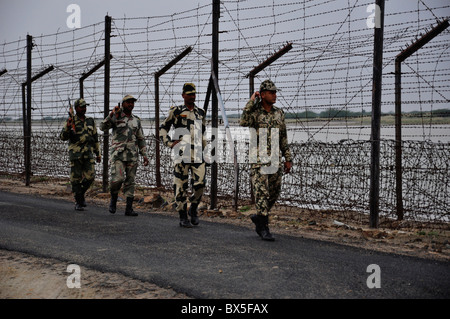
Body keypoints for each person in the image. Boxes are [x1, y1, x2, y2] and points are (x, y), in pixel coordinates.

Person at [240, 80, 293, 241]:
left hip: (275, 159)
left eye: (275, 92)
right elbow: (243, 122)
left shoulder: (279, 113)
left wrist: (288, 158)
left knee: (275, 192)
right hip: (259, 160)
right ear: (262, 95)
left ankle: (259, 217)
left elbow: (283, 136)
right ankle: (264, 227)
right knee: (262, 193)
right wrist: (251, 101)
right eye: (271, 92)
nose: (275, 95)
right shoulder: (255, 112)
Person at [159, 83, 207, 227]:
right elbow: (163, 128)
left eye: (194, 94)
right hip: (181, 154)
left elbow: (202, 133)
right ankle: (182, 215)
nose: (192, 96)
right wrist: (168, 143)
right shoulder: (177, 111)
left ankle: (193, 208)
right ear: (183, 95)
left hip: (198, 154)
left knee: (200, 184)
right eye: (189, 94)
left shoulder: (200, 112)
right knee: (181, 186)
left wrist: (206, 150)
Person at [100, 95, 149, 216]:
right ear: (123, 104)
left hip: (132, 155)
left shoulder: (136, 120)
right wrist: (111, 114)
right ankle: (113, 198)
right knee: (118, 179)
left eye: (132, 103)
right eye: (128, 102)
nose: (131, 105)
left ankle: (129, 208)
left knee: (130, 181)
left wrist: (145, 155)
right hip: (118, 154)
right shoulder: (116, 116)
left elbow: (141, 138)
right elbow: (102, 127)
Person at [60, 98, 101, 211]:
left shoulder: (90, 121)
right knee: (75, 179)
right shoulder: (71, 121)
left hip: (88, 153)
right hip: (76, 154)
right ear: (76, 108)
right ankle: (78, 201)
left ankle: (80, 194)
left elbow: (95, 138)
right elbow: (63, 137)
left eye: (85, 106)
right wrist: (68, 126)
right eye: (81, 107)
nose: (84, 109)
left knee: (90, 176)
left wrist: (98, 153)